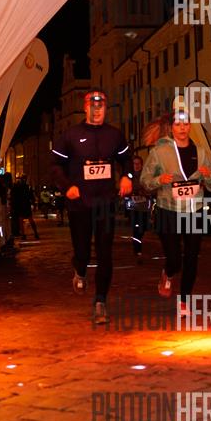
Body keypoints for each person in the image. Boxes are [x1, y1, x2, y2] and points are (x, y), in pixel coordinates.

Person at [51, 89, 132, 324]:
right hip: (79, 203)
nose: (97, 111)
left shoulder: (114, 135)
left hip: (105, 202)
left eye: (101, 106)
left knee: (105, 252)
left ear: (106, 108)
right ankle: (80, 269)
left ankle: (100, 301)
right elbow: (55, 165)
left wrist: (126, 176)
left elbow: (127, 159)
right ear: (85, 108)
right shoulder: (70, 135)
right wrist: (66, 186)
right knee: (83, 252)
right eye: (93, 106)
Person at [141, 110, 211, 315]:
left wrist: (208, 177)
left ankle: (184, 301)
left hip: (194, 211)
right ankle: (168, 273)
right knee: (175, 258)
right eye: (178, 124)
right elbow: (145, 181)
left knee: (192, 257)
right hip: (168, 210)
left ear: (190, 126)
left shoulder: (202, 152)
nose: (183, 128)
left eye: (186, 124)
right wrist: (159, 180)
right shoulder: (159, 152)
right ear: (172, 128)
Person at [126, 155, 151, 263]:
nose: (136, 165)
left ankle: (138, 245)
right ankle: (137, 250)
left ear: (141, 165)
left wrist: (145, 192)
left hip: (144, 208)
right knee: (136, 229)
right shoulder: (128, 176)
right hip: (133, 208)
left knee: (142, 229)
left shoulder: (145, 176)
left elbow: (151, 187)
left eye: (138, 163)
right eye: (134, 163)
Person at [11, 175, 39, 240]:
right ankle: (34, 233)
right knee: (28, 219)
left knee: (22, 220)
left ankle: (24, 235)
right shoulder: (27, 187)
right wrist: (34, 204)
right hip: (25, 204)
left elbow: (15, 196)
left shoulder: (18, 187)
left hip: (21, 205)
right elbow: (31, 196)